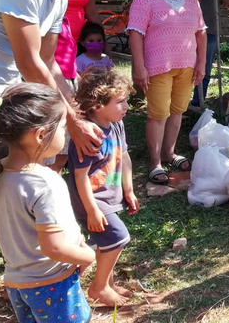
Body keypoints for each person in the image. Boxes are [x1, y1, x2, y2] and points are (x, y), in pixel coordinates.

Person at [0, 0, 109, 163]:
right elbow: (30, 63)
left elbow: (48, 61)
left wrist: (77, 113)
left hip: (10, 95)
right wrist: (71, 121)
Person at [0, 83, 94, 322]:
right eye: (62, 128)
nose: (65, 135)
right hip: (52, 285)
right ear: (40, 135)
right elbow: (54, 247)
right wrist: (88, 256)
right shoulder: (45, 183)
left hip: (16, 282)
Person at [128, 0, 206, 184]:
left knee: (177, 111)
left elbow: (201, 33)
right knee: (158, 114)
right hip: (158, 66)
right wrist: (139, 67)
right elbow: (135, 34)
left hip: (187, 65)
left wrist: (201, 63)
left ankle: (169, 153)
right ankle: (155, 163)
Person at [67, 67, 139, 307]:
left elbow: (125, 156)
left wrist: (128, 189)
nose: (126, 106)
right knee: (118, 237)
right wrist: (91, 210)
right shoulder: (89, 136)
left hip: (110, 196)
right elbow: (79, 177)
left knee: (106, 242)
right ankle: (98, 288)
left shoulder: (116, 124)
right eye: (120, 101)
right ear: (97, 105)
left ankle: (107, 283)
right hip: (92, 200)